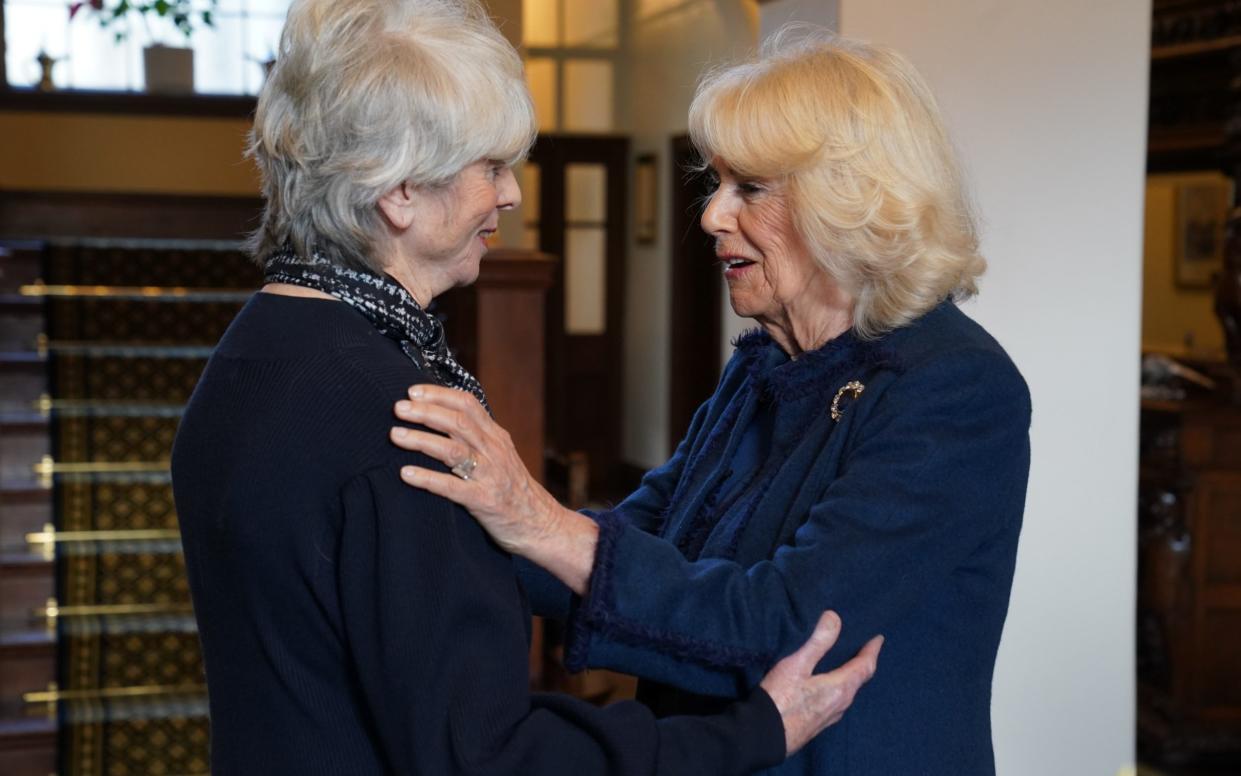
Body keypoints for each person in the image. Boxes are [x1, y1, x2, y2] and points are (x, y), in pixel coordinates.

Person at [170, 3, 881, 775]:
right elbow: (487, 761)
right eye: (491, 166)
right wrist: (749, 733)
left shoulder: (250, 353)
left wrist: (539, 526)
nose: (509, 195)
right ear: (401, 190)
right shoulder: (405, 422)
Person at [389, 26, 1031, 776]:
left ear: (848, 201)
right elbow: (645, 533)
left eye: (748, 189)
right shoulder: (767, 365)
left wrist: (538, 523)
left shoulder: (954, 389)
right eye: (716, 184)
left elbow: (787, 624)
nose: (711, 216)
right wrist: (421, 536)